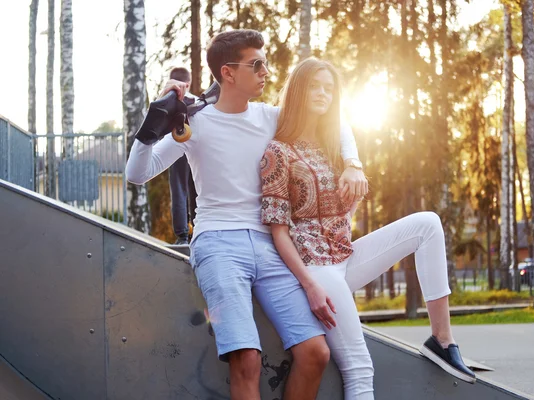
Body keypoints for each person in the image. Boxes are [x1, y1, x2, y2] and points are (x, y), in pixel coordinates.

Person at [125, 30, 368, 400]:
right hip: (218, 245)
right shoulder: (195, 122)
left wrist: (352, 163)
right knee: (247, 360)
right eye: (257, 64)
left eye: (265, 63)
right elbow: (136, 174)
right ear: (228, 73)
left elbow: (334, 121)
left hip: (271, 246)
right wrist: (153, 121)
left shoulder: (271, 118)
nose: (266, 71)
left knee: (315, 353)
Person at [260, 58, 476, 400]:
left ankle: (442, 340)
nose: (323, 94)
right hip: (316, 269)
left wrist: (355, 175)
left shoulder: (334, 150)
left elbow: (343, 216)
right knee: (360, 368)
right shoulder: (277, 152)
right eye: (315, 86)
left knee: (428, 224)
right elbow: (278, 232)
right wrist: (310, 285)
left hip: (345, 256)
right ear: (298, 90)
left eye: (329, 88)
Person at [166, 67, 198, 245]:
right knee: (195, 188)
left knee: (178, 189)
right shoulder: (197, 102)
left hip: (175, 148)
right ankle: (197, 227)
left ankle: (182, 236)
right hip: (194, 148)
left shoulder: (167, 101)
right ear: (188, 82)